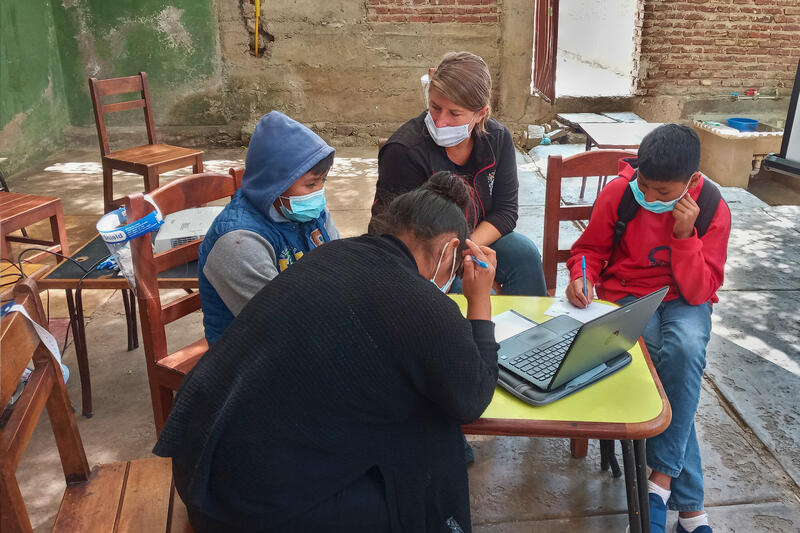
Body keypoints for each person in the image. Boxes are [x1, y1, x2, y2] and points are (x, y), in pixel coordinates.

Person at [154, 171, 500, 533]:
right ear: (448, 248)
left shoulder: (336, 252)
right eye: (456, 262)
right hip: (246, 510)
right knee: (428, 441)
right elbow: (471, 398)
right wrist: (479, 302)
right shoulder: (421, 304)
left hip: (200, 467)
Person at [565, 124, 730, 533]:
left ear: (692, 181)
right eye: (645, 184)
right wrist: (581, 277)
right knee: (665, 364)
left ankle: (658, 486)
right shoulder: (619, 195)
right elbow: (589, 251)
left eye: (663, 192)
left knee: (687, 350)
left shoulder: (711, 207)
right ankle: (689, 510)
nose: (650, 197)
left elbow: (700, 291)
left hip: (683, 299)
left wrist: (684, 236)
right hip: (627, 296)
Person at [370, 51, 546, 296]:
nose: (440, 121)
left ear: (480, 114)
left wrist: (467, 247)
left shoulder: (497, 139)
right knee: (474, 287)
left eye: (454, 113)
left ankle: (532, 333)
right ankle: (478, 332)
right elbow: (393, 233)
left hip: (472, 240)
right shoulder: (404, 151)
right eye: (435, 107)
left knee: (524, 254)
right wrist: (456, 259)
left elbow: (506, 211)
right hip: (427, 254)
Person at [198, 110, 340, 344]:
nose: (318, 193)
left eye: (323, 181)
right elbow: (282, 324)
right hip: (247, 356)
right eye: (311, 184)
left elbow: (341, 267)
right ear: (274, 183)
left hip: (301, 333)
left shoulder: (310, 212)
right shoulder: (238, 242)